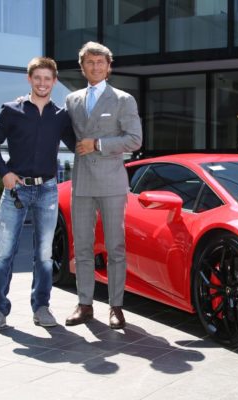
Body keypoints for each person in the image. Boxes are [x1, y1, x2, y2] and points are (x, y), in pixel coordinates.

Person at [0, 57, 76, 334]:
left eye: (48, 79)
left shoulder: (61, 116)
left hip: (47, 189)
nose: (43, 83)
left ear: (54, 82)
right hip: (16, 189)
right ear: (30, 79)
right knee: (5, 253)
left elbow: (78, 144)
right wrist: (4, 173)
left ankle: (41, 307)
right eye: (38, 78)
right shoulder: (11, 110)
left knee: (44, 254)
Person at [64, 42, 142, 329]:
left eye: (100, 62)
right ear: (82, 67)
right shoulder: (71, 100)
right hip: (82, 183)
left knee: (115, 247)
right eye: (89, 62)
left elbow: (135, 140)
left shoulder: (123, 100)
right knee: (82, 247)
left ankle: (116, 306)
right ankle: (85, 305)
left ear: (109, 66)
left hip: (111, 183)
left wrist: (97, 144)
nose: (95, 67)